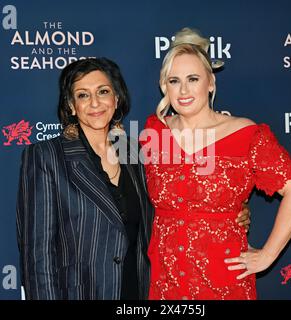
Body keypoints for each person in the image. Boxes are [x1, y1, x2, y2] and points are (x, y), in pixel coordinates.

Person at [16, 57, 253, 300]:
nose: (95, 102)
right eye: (83, 95)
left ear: (116, 99)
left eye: (103, 91)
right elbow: (37, 255)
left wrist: (233, 209)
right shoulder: (46, 157)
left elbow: (176, 194)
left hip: (137, 291)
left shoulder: (136, 152)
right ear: (71, 106)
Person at [140, 28, 291, 300]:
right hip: (165, 279)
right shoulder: (153, 133)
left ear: (210, 83)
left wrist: (268, 255)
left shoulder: (245, 135)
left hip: (222, 280)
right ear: (165, 86)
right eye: (174, 81)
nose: (183, 90)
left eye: (193, 79)